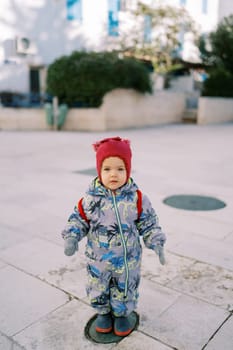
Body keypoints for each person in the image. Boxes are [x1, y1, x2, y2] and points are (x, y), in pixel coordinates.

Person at [61, 136, 166, 337]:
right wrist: (72, 237)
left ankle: (122, 314)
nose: (114, 174)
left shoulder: (138, 198)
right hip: (98, 259)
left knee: (125, 286)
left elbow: (149, 222)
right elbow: (78, 219)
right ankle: (103, 312)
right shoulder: (90, 199)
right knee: (98, 285)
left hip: (128, 260)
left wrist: (156, 241)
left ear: (128, 170)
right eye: (107, 169)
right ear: (99, 170)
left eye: (120, 168)